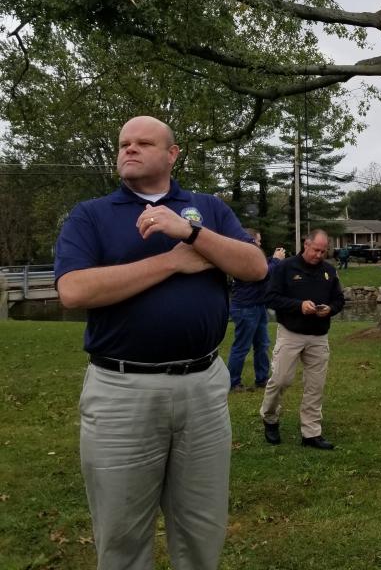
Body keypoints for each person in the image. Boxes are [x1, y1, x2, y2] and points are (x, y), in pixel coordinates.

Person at [54, 116, 267, 570]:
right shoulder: (91, 215)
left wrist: (191, 233)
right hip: (121, 391)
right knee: (121, 534)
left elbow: (254, 265)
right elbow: (73, 291)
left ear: (172, 154)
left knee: (201, 528)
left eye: (143, 142)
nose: (129, 149)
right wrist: (172, 262)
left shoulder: (206, 207)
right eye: (123, 143)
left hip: (203, 389)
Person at [260, 228, 344, 449]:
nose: (319, 255)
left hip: (319, 336)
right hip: (291, 333)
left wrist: (330, 309)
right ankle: (270, 418)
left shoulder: (329, 271)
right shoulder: (285, 267)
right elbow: (270, 298)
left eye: (323, 251)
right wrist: (298, 306)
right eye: (316, 249)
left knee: (315, 386)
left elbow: (339, 300)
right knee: (280, 380)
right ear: (306, 244)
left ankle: (311, 432)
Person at [227, 230, 285, 391]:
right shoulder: (241, 258)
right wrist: (276, 260)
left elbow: (264, 265)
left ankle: (262, 379)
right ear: (250, 241)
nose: (260, 244)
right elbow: (263, 273)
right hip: (246, 308)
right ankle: (233, 382)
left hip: (258, 306)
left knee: (262, 344)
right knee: (242, 346)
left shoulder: (252, 257)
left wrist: (273, 259)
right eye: (258, 241)